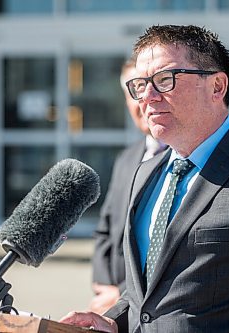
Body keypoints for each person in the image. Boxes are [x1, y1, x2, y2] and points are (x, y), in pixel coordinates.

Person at [61, 25, 229, 332]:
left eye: (165, 80)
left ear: (217, 86)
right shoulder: (145, 173)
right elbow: (149, 296)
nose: (148, 97)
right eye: (139, 85)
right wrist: (113, 321)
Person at [89, 57, 166, 315]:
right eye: (135, 91)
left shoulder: (185, 161)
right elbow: (105, 231)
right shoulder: (127, 158)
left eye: (153, 87)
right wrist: (104, 288)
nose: (143, 100)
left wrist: (121, 294)